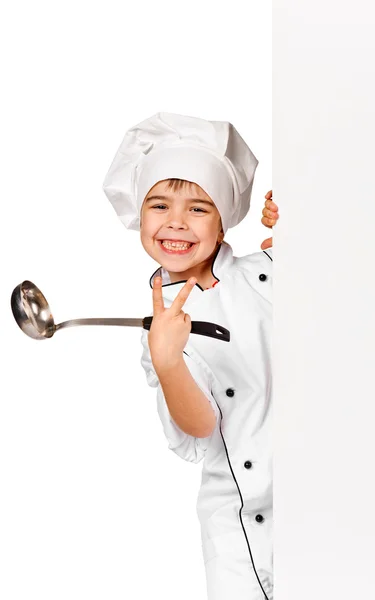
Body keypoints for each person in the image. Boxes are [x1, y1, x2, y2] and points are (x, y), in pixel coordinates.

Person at [102, 112, 279, 600]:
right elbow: (199, 433)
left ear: (224, 221)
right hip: (234, 525)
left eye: (198, 209)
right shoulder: (157, 336)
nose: (175, 222)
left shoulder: (267, 272)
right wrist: (167, 361)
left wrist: (294, 221)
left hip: (319, 497)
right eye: (159, 205)